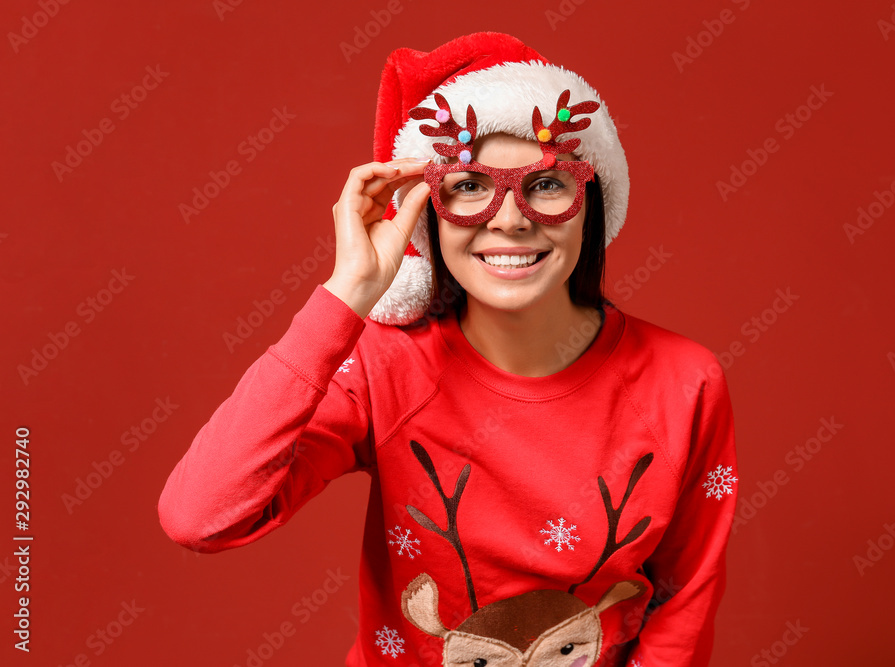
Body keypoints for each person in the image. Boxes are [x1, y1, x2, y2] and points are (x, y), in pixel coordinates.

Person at [158, 31, 738, 667]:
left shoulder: (684, 382)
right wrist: (347, 295)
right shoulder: (386, 365)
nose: (510, 219)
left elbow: (682, 603)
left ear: (591, 202)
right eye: (468, 186)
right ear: (424, 212)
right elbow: (201, 517)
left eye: (546, 183)